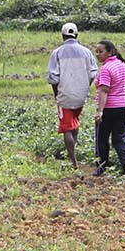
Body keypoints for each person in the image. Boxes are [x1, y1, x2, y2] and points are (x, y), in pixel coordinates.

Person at [46, 22, 97, 167]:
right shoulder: (86, 52)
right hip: (81, 95)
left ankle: (73, 161)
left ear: (62, 36)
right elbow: (93, 72)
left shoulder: (57, 52)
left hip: (64, 95)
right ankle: (73, 152)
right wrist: (85, 86)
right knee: (74, 121)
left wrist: (57, 95)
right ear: (77, 35)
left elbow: (53, 77)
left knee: (67, 127)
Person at [93, 40, 125, 176]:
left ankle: (102, 167)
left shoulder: (106, 69)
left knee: (102, 137)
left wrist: (100, 111)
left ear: (109, 52)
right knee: (119, 137)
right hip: (123, 106)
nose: (98, 55)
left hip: (109, 107)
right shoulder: (123, 65)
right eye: (96, 52)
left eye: (100, 51)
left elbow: (104, 91)